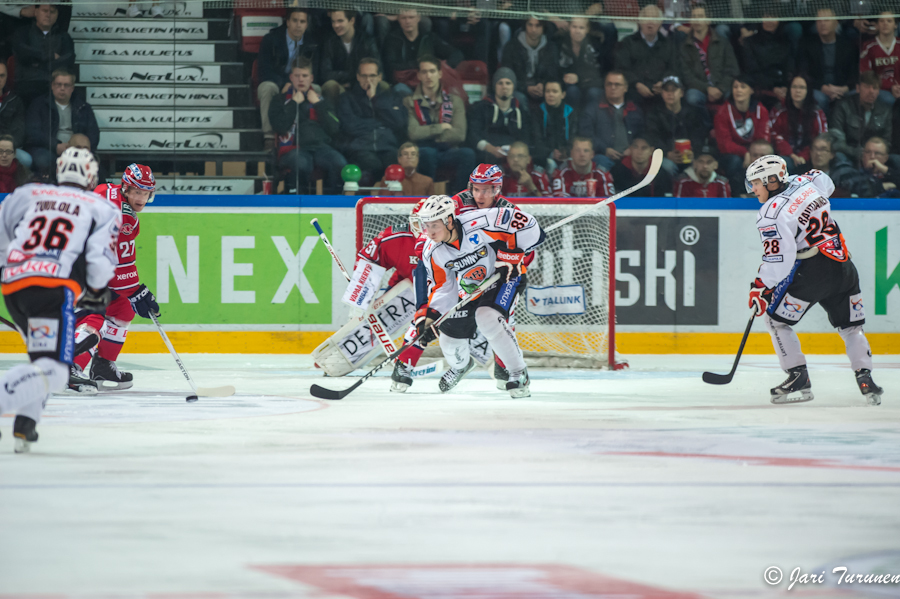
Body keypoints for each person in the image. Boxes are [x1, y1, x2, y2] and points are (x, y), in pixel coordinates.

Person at [0, 147, 119, 452]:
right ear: (91, 176)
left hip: (14, 286)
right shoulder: (101, 207)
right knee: (55, 372)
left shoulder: (29, 194)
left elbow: (4, 229)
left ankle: (25, 425)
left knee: (41, 361)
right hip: (52, 290)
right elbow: (99, 262)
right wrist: (95, 289)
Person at [745, 155, 883, 406]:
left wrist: (760, 286)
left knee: (775, 321)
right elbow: (825, 182)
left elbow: (779, 259)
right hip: (843, 263)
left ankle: (798, 377)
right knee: (851, 327)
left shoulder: (770, 214)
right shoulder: (806, 182)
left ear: (772, 180)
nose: (752, 189)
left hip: (813, 273)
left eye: (756, 183)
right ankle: (866, 379)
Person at [416, 194, 546, 397]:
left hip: (503, 277)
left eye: (434, 225)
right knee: (449, 340)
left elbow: (529, 225)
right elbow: (442, 287)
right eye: (426, 225)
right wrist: (431, 319)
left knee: (486, 317)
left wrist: (509, 257)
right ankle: (462, 366)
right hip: (469, 289)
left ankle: (518, 373)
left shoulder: (480, 221)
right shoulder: (433, 252)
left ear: (449, 220)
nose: (429, 232)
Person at [70, 164, 160, 391]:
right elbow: (120, 266)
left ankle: (102, 366)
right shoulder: (125, 219)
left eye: (145, 193)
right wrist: (138, 291)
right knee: (93, 317)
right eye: (137, 192)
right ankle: (68, 366)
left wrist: (134, 293)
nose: (141, 198)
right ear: (126, 189)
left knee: (123, 308)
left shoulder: (105, 190)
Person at [269, 56, 345, 195]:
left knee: (339, 162)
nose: (301, 79)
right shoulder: (279, 100)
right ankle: (296, 204)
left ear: (311, 78)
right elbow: (279, 126)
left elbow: (334, 129)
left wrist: (318, 105)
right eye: (297, 76)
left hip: (320, 147)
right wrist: (293, 104)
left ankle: (332, 205)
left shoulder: (321, 100)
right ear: (291, 78)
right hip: (294, 148)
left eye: (304, 76)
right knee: (302, 164)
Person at [403, 56, 475, 191]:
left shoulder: (455, 101)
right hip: (422, 149)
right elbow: (413, 133)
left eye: (432, 71)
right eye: (424, 72)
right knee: (427, 153)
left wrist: (428, 134)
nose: (428, 76)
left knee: (468, 154)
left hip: (448, 150)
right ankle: (425, 197)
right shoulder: (409, 102)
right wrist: (440, 128)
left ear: (440, 74)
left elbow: (459, 134)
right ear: (418, 75)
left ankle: (460, 197)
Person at [714, 74, 792, 195]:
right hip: (734, 155)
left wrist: (754, 155)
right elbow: (724, 143)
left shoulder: (761, 110)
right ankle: (736, 195)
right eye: (735, 87)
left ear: (751, 90)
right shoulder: (722, 112)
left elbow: (763, 139)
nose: (738, 90)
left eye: (743, 87)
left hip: (755, 152)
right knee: (734, 161)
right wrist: (744, 153)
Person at [338, 58, 408, 186]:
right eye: (364, 76)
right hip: (360, 147)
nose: (368, 80)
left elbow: (398, 123)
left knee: (395, 164)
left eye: (372, 76)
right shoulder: (347, 98)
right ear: (358, 77)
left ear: (380, 77)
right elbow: (350, 126)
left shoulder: (391, 97)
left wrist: (375, 99)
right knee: (372, 164)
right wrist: (380, 124)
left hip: (388, 146)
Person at [257, 8, 318, 151]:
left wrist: (293, 83)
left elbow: (315, 71)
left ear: (307, 24)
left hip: (299, 82)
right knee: (267, 87)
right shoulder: (271, 39)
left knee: (318, 89)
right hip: (277, 81)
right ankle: (269, 136)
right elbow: (264, 71)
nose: (298, 25)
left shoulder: (313, 43)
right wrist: (284, 83)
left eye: (302, 22)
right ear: (288, 22)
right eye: (295, 21)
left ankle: (311, 134)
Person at [24, 69, 100, 177]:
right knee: (44, 161)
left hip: (77, 149)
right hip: (47, 148)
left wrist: (78, 148)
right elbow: (33, 133)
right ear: (52, 86)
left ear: (72, 88)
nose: (62, 88)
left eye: (66, 85)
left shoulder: (83, 107)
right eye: (58, 84)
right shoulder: (38, 105)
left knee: (98, 169)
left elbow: (94, 134)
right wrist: (55, 146)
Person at [643, 75, 710, 176]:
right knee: (667, 166)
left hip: (689, 156)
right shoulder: (654, 113)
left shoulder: (693, 112)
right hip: (665, 156)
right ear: (662, 93)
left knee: (701, 165)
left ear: (681, 93)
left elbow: (698, 135)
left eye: (674, 90)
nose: (670, 94)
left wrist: (694, 152)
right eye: (666, 90)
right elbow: (653, 137)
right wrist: (666, 153)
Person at [578, 71, 644, 171]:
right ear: (604, 87)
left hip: (631, 157)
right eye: (609, 84)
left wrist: (633, 148)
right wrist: (604, 149)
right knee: (599, 162)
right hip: (603, 156)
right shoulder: (592, 109)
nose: (613, 87)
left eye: (617, 84)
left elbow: (643, 134)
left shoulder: (635, 110)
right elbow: (586, 134)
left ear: (625, 88)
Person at [383, 9, 462, 91]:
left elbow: (456, 54)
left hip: (429, 83)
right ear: (398, 19)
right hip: (406, 84)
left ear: (418, 18)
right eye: (404, 18)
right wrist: (418, 64)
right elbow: (391, 66)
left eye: (411, 17)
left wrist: (443, 66)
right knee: (399, 89)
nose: (408, 21)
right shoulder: (392, 39)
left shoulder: (428, 37)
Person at [678, 4, 740, 110]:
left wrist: (720, 88)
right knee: (692, 97)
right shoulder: (684, 46)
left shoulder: (722, 42)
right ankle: (706, 125)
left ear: (708, 20)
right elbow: (687, 75)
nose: (697, 20)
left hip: (722, 86)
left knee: (735, 93)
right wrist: (707, 89)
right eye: (694, 17)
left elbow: (732, 69)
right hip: (700, 89)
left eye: (700, 16)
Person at [799, 7, 860, 112]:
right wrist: (822, 87)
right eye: (819, 20)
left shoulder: (848, 45)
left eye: (826, 20)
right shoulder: (807, 45)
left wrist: (844, 88)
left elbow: (854, 73)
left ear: (836, 23)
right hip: (818, 88)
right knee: (820, 99)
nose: (822, 23)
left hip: (843, 87)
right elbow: (804, 73)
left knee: (857, 94)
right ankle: (823, 127)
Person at [11, 4, 75, 103]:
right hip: (27, 88)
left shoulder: (64, 37)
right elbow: (24, 54)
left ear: (57, 15)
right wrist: (50, 56)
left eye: (52, 12)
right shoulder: (22, 33)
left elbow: (67, 61)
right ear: (35, 12)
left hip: (53, 89)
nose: (48, 15)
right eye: (44, 11)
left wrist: (36, 63)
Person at [466, 67, 531, 165]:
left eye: (508, 83)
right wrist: (489, 148)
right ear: (494, 86)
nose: (504, 87)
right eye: (500, 83)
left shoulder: (522, 111)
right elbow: (473, 134)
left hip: (514, 156)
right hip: (486, 154)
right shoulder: (481, 107)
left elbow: (526, 137)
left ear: (513, 86)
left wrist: (515, 151)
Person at [614, 5, 677, 105]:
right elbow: (622, 68)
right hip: (634, 90)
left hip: (661, 91)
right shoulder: (627, 43)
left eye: (654, 19)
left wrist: (663, 82)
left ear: (660, 23)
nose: (650, 23)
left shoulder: (668, 44)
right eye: (646, 18)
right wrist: (637, 84)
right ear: (639, 21)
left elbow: (673, 67)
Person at [830, 71, 893, 164]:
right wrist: (860, 154)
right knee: (838, 157)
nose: (871, 91)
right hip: (849, 155)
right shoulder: (843, 106)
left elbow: (887, 141)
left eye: (875, 88)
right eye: (867, 87)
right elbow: (837, 141)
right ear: (858, 88)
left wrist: (874, 155)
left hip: (876, 157)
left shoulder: (885, 110)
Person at [320, 10, 380, 102]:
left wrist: (356, 79)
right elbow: (325, 74)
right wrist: (353, 75)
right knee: (330, 85)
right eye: (333, 21)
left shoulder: (367, 41)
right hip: (341, 86)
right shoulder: (329, 42)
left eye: (340, 21)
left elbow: (378, 69)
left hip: (363, 84)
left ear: (352, 20)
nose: (336, 25)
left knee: (383, 85)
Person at [769, 75, 828, 165]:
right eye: (794, 87)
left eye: (802, 87)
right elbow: (773, 134)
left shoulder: (817, 113)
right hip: (785, 156)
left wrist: (803, 156)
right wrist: (791, 154)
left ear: (808, 91)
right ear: (789, 89)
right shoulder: (779, 109)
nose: (798, 91)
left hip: (809, 157)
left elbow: (820, 138)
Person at [557, 16, 613, 109]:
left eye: (581, 28)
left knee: (594, 93)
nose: (577, 31)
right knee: (572, 91)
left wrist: (579, 77)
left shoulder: (596, 45)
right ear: (569, 27)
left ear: (587, 29)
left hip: (591, 84)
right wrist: (564, 76)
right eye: (574, 27)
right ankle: (571, 120)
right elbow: (556, 68)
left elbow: (599, 72)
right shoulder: (560, 43)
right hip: (568, 84)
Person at [740, 15, 794, 109]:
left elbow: (789, 67)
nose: (769, 21)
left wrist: (785, 86)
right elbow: (752, 70)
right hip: (761, 85)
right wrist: (772, 87)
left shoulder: (786, 41)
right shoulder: (750, 42)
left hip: (783, 85)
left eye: (773, 17)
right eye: (766, 17)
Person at [501, 17, 559, 104]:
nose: (533, 29)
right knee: (520, 98)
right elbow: (507, 75)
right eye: (530, 25)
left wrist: (543, 85)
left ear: (543, 27)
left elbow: (554, 74)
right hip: (518, 89)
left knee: (553, 95)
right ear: (525, 26)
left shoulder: (551, 48)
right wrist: (526, 88)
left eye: (538, 25)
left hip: (543, 89)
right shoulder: (511, 47)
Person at [531, 79, 577, 172]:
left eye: (555, 91)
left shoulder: (571, 113)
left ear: (563, 94)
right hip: (545, 156)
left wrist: (566, 152)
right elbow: (536, 139)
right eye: (547, 91)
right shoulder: (537, 112)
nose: (550, 94)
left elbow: (574, 138)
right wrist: (551, 152)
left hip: (567, 156)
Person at [859, 11, 900, 105]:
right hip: (879, 89)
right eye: (882, 21)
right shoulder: (868, 47)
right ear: (877, 25)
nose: (885, 23)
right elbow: (866, 74)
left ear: (895, 25)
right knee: (888, 99)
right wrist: (890, 87)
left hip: (898, 88)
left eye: (889, 21)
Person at [0, 61, 29, 168]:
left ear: (7, 77)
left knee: (26, 160)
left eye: (2, 76)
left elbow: (19, 130)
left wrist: (6, 148)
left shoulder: (15, 101)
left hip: (9, 148)